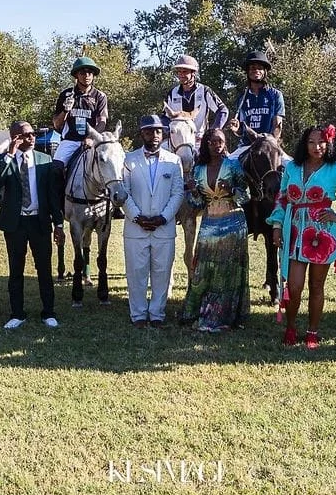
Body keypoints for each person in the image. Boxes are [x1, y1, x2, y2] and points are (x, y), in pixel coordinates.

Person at [268, 125, 336, 348]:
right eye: (312, 142)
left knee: (316, 285)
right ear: (305, 144)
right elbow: (282, 197)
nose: (317, 146)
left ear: (329, 143)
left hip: (322, 235)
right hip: (294, 231)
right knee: (294, 286)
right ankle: (291, 327)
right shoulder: (293, 167)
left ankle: (312, 332)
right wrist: (276, 225)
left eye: (322, 142)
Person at [0, 120, 62, 330]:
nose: (31, 138)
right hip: (16, 223)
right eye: (25, 135)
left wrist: (58, 224)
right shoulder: (4, 160)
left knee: (44, 269)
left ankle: (48, 312)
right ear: (14, 137)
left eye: (32, 134)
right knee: (16, 269)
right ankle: (17, 313)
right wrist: (10, 154)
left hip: (39, 221)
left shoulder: (45, 160)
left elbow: (53, 196)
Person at [179, 128, 251, 332]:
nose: (217, 145)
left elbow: (246, 197)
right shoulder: (198, 169)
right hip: (209, 222)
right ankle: (197, 311)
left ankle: (226, 315)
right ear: (206, 144)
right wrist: (193, 190)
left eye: (220, 141)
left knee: (229, 270)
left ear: (225, 143)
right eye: (213, 142)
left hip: (233, 222)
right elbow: (195, 204)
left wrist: (232, 191)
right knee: (205, 268)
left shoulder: (233, 165)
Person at [121, 115, 184, 328]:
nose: (154, 135)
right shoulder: (128, 160)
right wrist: (136, 216)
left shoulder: (174, 160)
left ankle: (157, 314)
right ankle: (138, 314)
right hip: (135, 227)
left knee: (162, 272)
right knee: (136, 272)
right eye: (149, 131)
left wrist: (163, 217)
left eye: (158, 131)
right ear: (142, 134)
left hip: (163, 228)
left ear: (163, 133)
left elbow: (178, 194)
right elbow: (124, 193)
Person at [51, 56, 109, 213]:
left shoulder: (100, 96)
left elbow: (102, 122)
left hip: (92, 141)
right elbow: (57, 124)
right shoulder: (66, 95)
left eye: (90, 72)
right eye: (83, 72)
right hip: (70, 141)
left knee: (112, 163)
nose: (87, 75)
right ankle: (57, 207)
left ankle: (114, 205)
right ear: (76, 75)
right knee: (55, 169)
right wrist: (65, 110)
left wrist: (91, 138)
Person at [227, 50, 287, 160]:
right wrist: (236, 130)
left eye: (259, 68)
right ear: (248, 72)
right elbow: (241, 131)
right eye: (253, 68)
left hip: (269, 144)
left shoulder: (275, 95)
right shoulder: (242, 98)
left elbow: (278, 125)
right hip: (246, 146)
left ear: (265, 71)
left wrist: (272, 142)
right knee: (226, 166)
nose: (256, 70)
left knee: (290, 166)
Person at [162, 54, 229, 144]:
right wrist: (170, 130)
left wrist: (211, 133)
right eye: (179, 72)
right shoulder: (172, 93)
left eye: (185, 72)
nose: (181, 75)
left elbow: (223, 110)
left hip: (200, 141)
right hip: (178, 142)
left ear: (193, 73)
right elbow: (164, 117)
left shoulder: (205, 91)